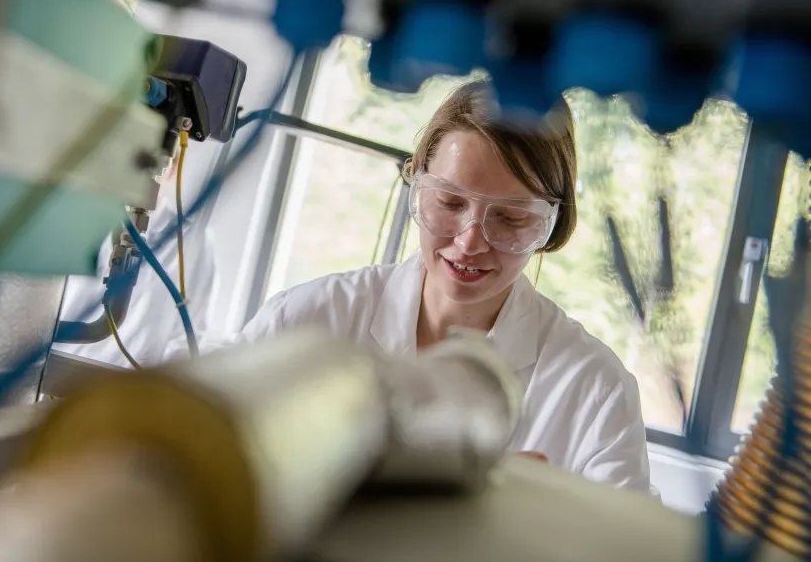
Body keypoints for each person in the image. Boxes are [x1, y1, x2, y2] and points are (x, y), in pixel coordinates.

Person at [179, 80, 651, 490]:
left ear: (551, 225)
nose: (469, 243)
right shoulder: (305, 322)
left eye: (510, 218)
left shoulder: (596, 391)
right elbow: (203, 456)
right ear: (416, 184)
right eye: (448, 202)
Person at [53, 160, 218, 368]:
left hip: (119, 384)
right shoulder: (74, 212)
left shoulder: (194, 243)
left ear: (174, 166)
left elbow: (186, 341)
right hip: (49, 369)